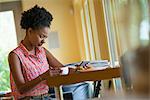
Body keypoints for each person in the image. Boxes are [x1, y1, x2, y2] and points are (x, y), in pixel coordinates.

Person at [8, 5, 89, 100]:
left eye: (45, 37)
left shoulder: (43, 52)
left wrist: (80, 69)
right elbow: (21, 89)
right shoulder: (15, 56)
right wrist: (44, 76)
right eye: (41, 36)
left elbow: (63, 70)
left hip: (46, 97)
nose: (43, 41)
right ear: (30, 31)